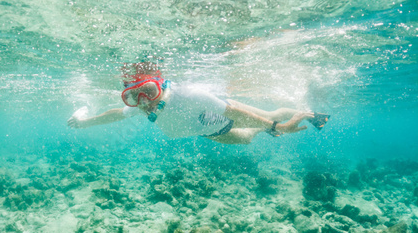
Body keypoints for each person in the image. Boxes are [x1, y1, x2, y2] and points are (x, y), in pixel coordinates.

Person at [67, 62, 329, 145]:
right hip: (208, 131)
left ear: (162, 85)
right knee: (247, 140)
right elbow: (116, 115)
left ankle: (304, 113)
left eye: (148, 90)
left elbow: (234, 112)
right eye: (134, 97)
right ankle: (280, 122)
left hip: (221, 115)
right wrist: (84, 122)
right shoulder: (143, 107)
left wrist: (278, 126)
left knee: (265, 122)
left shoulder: (189, 94)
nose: (144, 101)